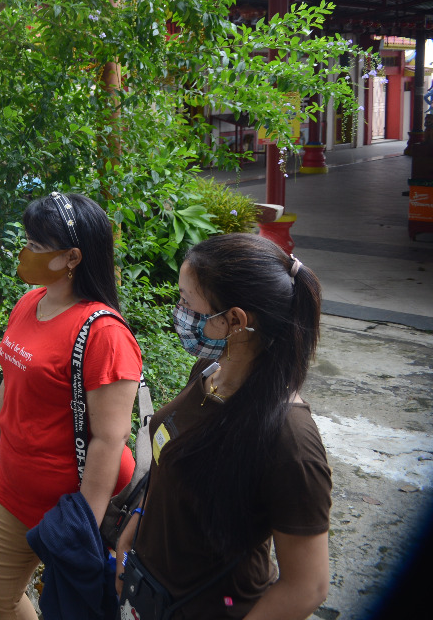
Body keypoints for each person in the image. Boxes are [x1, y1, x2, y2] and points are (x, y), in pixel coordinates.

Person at [114, 234, 331, 619]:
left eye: (186, 302)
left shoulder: (291, 440)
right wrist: (137, 523)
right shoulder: (209, 372)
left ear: (235, 321)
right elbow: (172, 465)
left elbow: (307, 587)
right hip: (150, 593)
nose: (178, 311)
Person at [0, 192, 142, 620]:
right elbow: (11, 381)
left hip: (72, 504)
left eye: (36, 245)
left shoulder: (105, 334)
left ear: (72, 257)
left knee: (69, 608)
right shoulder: (29, 303)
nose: (25, 252)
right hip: (16, 484)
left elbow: (109, 440)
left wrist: (82, 528)